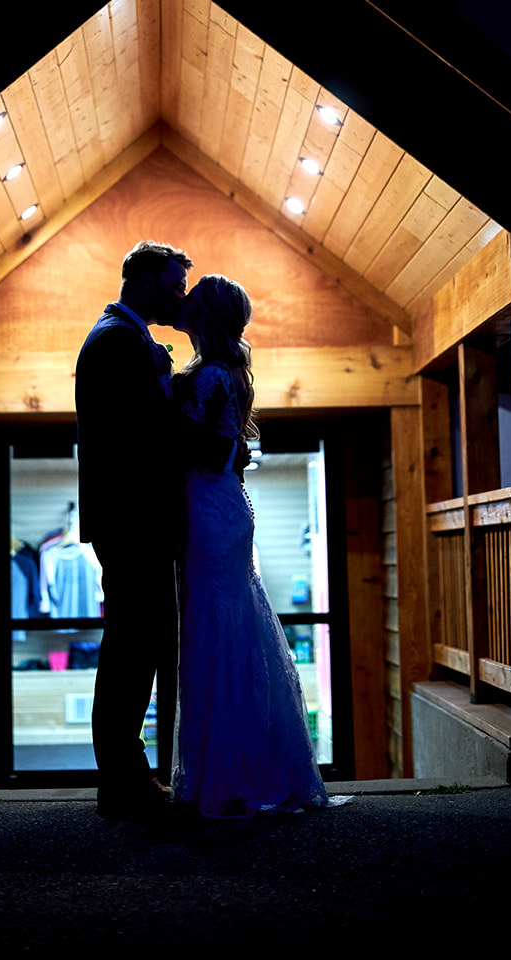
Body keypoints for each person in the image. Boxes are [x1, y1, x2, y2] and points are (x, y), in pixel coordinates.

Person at [75, 240, 250, 821]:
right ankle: (123, 781)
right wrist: (223, 443)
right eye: (174, 284)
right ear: (145, 279)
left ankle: (127, 776)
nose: (179, 296)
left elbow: (155, 425)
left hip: (140, 515)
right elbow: (147, 432)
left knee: (138, 644)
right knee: (131, 647)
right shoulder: (116, 341)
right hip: (131, 517)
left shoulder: (123, 337)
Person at [169, 274, 342, 818]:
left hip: (210, 511)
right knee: (226, 630)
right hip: (219, 506)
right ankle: (234, 767)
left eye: (191, 300)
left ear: (207, 316)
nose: (183, 303)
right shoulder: (217, 374)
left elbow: (217, 449)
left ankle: (227, 775)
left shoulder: (214, 376)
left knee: (216, 634)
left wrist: (164, 413)